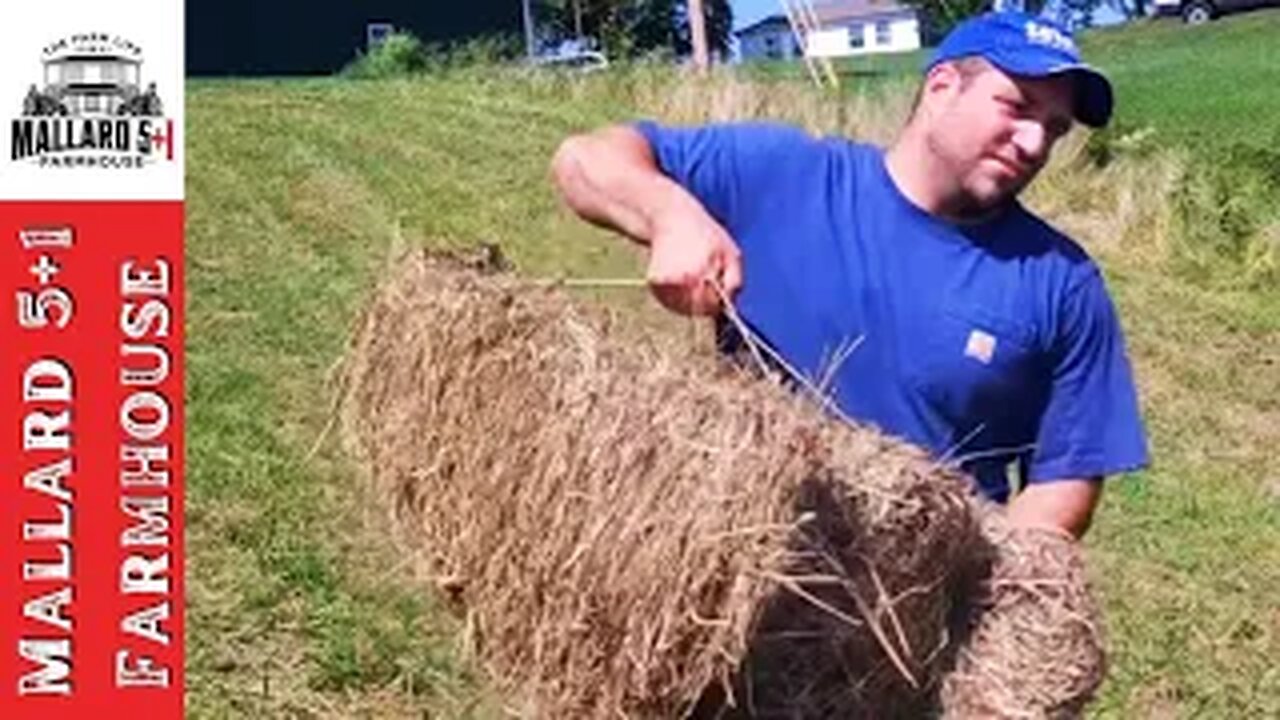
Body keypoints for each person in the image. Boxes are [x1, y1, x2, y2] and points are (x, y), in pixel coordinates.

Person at [549, 11, 1148, 538]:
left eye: (1055, 127)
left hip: (916, 628)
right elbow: (584, 161)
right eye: (1017, 108)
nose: (1035, 141)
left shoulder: (1062, 282)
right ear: (941, 88)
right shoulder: (782, 177)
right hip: (742, 578)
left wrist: (982, 595)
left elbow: (1063, 479)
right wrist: (670, 215)